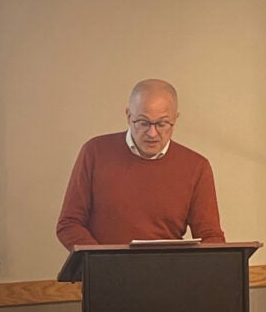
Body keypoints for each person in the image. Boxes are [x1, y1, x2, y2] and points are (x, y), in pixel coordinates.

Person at [56, 79, 225, 251]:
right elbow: (69, 224)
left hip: (168, 270)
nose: (152, 133)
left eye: (161, 124)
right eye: (143, 123)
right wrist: (101, 260)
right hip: (105, 270)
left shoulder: (196, 167)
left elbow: (211, 235)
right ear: (129, 116)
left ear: (175, 119)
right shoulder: (95, 152)